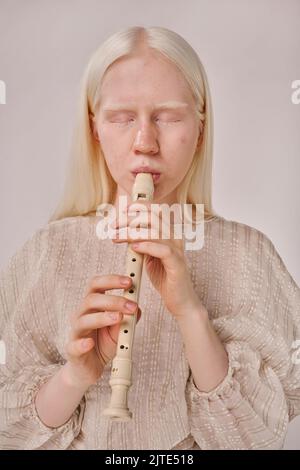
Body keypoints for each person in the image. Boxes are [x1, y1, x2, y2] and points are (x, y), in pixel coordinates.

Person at [0, 25, 299, 450]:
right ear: (95, 130)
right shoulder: (47, 252)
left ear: (200, 127)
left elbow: (254, 438)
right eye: (122, 118)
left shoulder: (248, 254)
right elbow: (8, 433)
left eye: (167, 116)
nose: (145, 142)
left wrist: (190, 311)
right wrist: (76, 374)